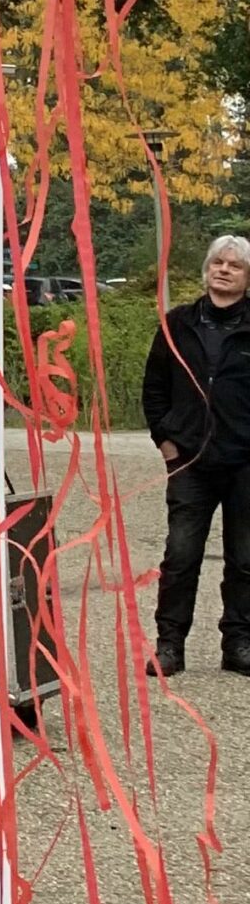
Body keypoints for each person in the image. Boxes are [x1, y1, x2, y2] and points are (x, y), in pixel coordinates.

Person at [144, 234, 250, 677]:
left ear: (247, 277)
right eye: (218, 262)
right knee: (181, 555)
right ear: (207, 269)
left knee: (245, 560)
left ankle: (238, 644)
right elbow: (154, 389)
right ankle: (169, 646)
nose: (224, 270)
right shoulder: (177, 324)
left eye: (235, 265)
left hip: (244, 463)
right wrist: (167, 444)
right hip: (189, 462)